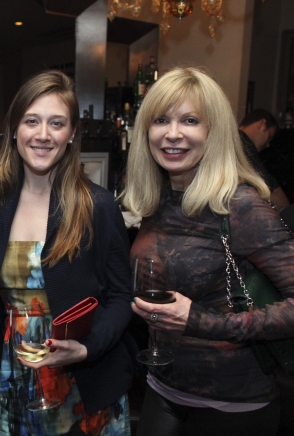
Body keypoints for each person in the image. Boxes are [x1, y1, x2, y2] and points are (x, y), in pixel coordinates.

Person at [122, 67, 294, 436]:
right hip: (161, 389)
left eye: (190, 120)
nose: (172, 133)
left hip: (233, 403)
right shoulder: (159, 200)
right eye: (161, 120)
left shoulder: (241, 204)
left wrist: (202, 321)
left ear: (213, 132)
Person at [0, 70, 135, 435]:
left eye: (56, 123)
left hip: (83, 381)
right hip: (16, 377)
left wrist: (86, 349)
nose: (43, 135)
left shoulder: (98, 206)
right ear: (14, 128)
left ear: (72, 133)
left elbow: (122, 298)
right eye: (31, 121)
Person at [239, 109, 290, 210]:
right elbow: (270, 188)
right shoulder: (244, 143)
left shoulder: (230, 138)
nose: (268, 145)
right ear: (262, 124)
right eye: (269, 136)